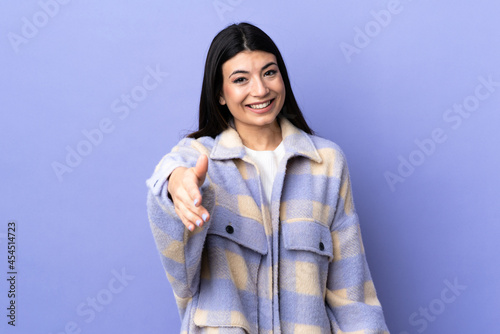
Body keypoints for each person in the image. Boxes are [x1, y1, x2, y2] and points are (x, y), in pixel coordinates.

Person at [146, 22, 389, 334]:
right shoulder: (201, 161)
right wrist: (176, 182)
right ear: (220, 94)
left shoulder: (326, 162)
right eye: (240, 79)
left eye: (269, 72)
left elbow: (352, 294)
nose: (260, 90)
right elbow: (172, 173)